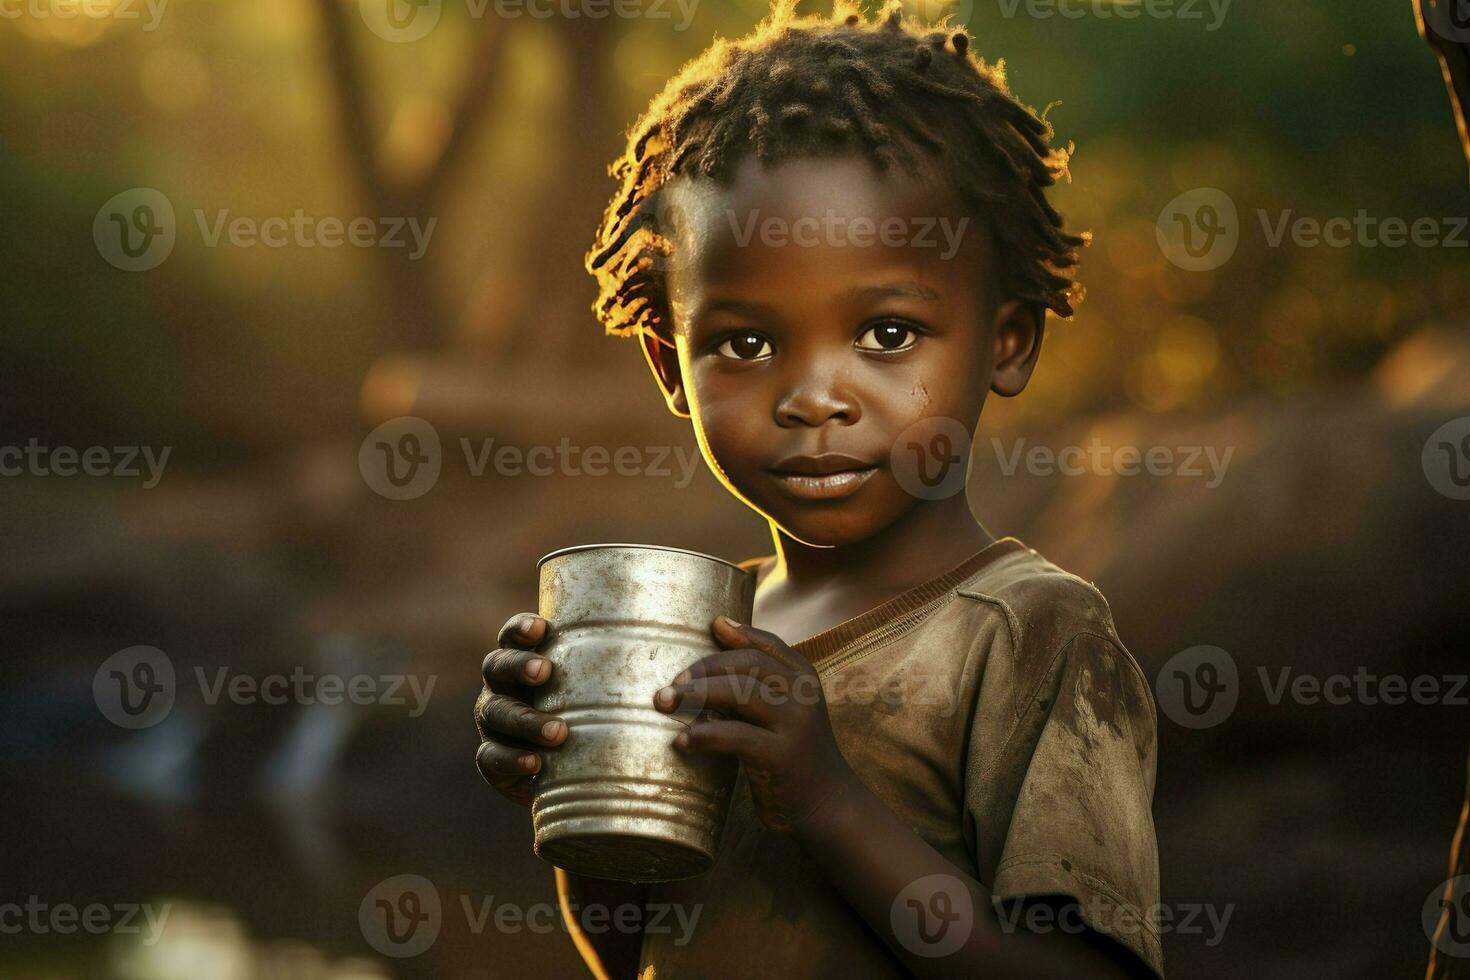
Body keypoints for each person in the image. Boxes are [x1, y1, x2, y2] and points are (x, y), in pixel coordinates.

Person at [476, 3, 1162, 976]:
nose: (812, 399)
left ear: (1007, 341)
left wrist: (828, 796)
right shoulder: (710, 635)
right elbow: (639, 951)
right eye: (743, 343)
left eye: (885, 334)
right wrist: (583, 800)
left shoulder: (1031, 633)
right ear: (670, 366)